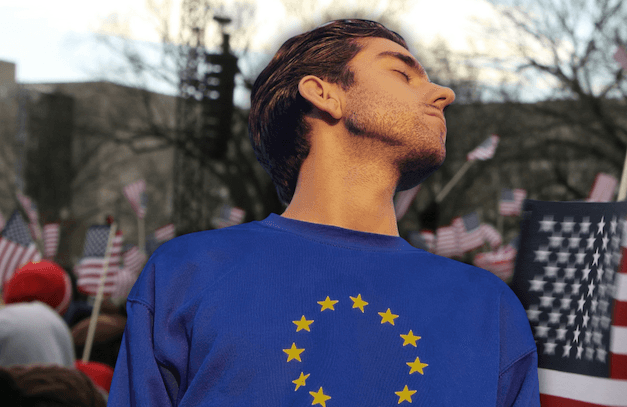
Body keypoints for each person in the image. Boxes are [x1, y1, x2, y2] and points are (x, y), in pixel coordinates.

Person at [108, 20, 539, 406]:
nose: (444, 94)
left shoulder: (490, 307)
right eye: (401, 73)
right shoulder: (188, 273)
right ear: (323, 92)